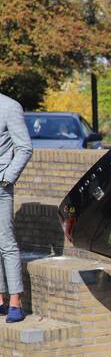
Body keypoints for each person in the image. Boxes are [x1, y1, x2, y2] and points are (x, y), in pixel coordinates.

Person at [0, 93, 34, 323]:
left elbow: (25, 148)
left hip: (0, 186)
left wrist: (6, 178)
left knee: (6, 242)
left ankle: (15, 302)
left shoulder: (10, 106)